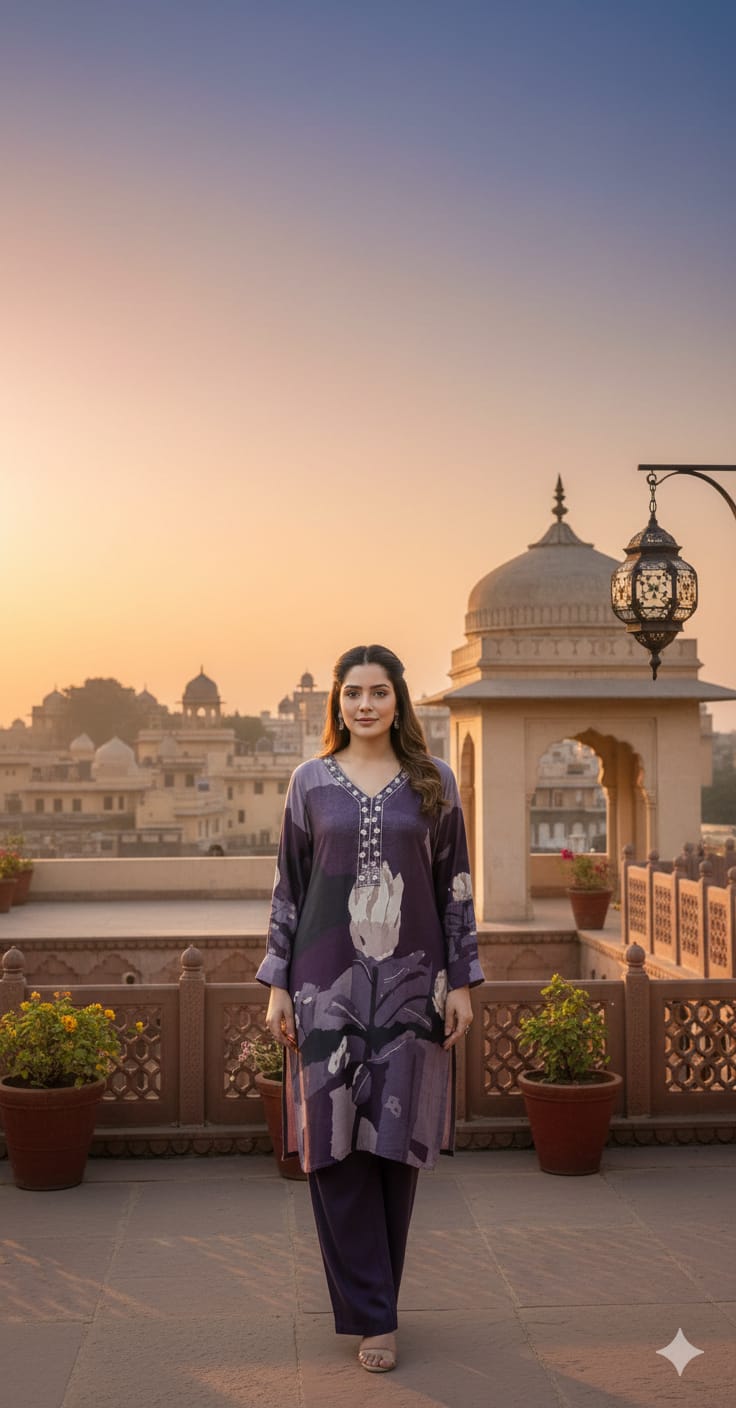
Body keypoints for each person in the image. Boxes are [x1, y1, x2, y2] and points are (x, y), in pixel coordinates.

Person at [256, 644, 483, 1373]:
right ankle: (374, 1316)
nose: (364, 705)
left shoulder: (433, 782)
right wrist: (278, 983)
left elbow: (455, 885)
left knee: (393, 1141)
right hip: (323, 986)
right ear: (337, 702)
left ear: (398, 700)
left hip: (413, 983)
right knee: (332, 1144)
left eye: (378, 692)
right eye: (353, 693)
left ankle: (378, 1302)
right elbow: (289, 887)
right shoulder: (309, 783)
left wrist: (463, 981)